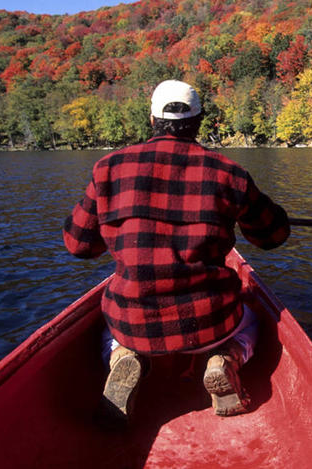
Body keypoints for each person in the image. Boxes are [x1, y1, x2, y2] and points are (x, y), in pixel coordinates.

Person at [63, 79, 290, 422]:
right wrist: (246, 213)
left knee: (110, 330)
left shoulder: (108, 168)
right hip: (210, 324)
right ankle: (224, 359)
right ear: (199, 122)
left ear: (152, 120)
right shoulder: (230, 173)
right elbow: (273, 236)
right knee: (251, 324)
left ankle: (124, 358)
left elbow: (78, 246)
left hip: (134, 324)